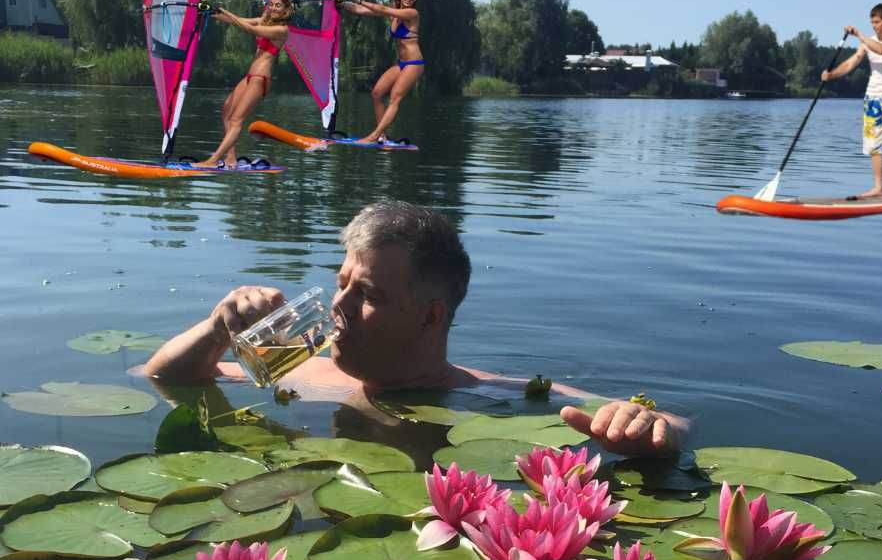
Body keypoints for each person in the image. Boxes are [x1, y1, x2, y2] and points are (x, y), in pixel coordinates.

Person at [145, 200, 688, 459]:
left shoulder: (488, 393)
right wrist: (219, 328)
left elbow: (675, 425)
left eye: (369, 295)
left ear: (431, 316)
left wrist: (639, 422)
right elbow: (164, 377)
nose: (339, 305)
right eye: (341, 284)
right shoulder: (305, 370)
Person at [195, 0, 293, 169]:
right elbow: (237, 20)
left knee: (236, 120)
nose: (273, 8)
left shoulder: (282, 30)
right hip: (250, 76)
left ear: (286, 10)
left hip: (260, 78)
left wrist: (225, 10)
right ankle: (231, 158)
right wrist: (211, 11)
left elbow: (250, 29)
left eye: (278, 5)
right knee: (226, 111)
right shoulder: (265, 21)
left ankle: (212, 160)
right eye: (271, 4)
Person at [821, 3, 882, 200]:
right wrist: (831, 75)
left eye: (877, 22)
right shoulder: (866, 43)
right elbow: (851, 63)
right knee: (873, 144)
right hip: (872, 97)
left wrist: (860, 35)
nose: (874, 26)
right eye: (872, 22)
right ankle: (878, 188)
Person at [339, 0, 424, 144]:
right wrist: (342, 2)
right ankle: (382, 135)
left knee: (394, 98)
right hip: (401, 64)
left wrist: (361, 0)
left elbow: (381, 9)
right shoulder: (395, 12)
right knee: (377, 93)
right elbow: (360, 10)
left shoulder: (412, 13)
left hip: (414, 63)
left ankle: (374, 135)